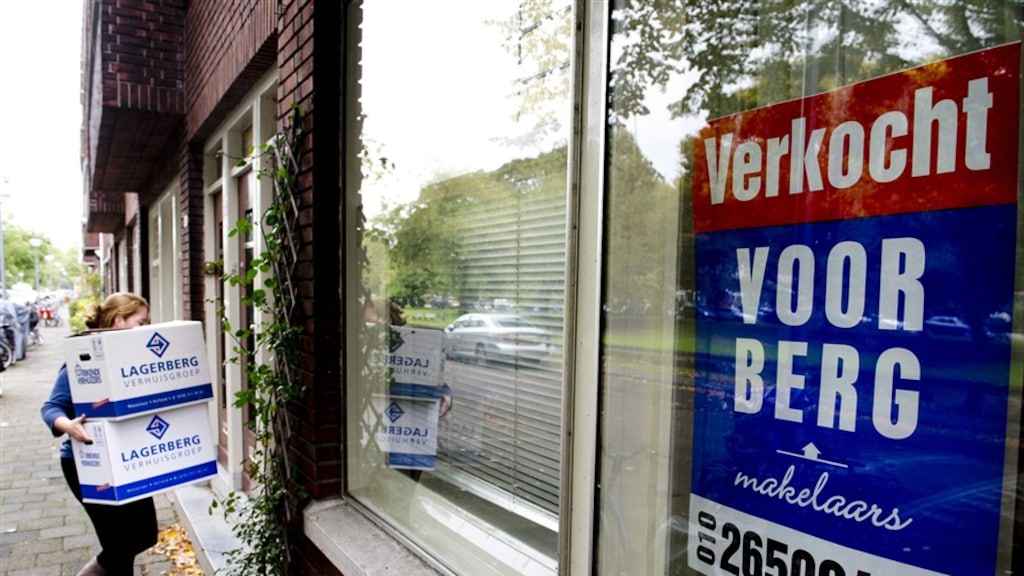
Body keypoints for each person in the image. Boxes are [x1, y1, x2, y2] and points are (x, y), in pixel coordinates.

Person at [41, 292, 157, 576]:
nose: (147, 328)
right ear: (119, 322)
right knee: (119, 545)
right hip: (88, 464)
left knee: (143, 535)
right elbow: (51, 407)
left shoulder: (134, 360)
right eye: (141, 322)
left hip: (128, 460)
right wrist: (68, 425)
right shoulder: (85, 361)